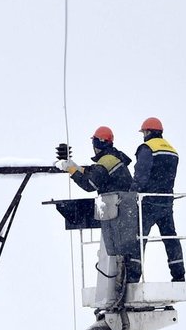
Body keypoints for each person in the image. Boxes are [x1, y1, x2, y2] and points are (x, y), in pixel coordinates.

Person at [59, 126, 142, 305]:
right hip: (124, 208)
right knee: (124, 251)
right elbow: (96, 175)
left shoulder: (106, 160)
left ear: (97, 143)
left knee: (118, 252)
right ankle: (121, 287)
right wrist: (76, 168)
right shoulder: (112, 158)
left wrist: (71, 172)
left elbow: (91, 183)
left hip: (118, 210)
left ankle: (119, 291)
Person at [133, 117, 185, 282]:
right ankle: (179, 275)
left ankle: (133, 278)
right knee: (170, 238)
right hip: (166, 202)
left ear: (147, 132)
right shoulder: (172, 150)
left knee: (139, 239)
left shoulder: (147, 148)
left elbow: (141, 175)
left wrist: (131, 194)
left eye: (144, 132)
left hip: (148, 202)